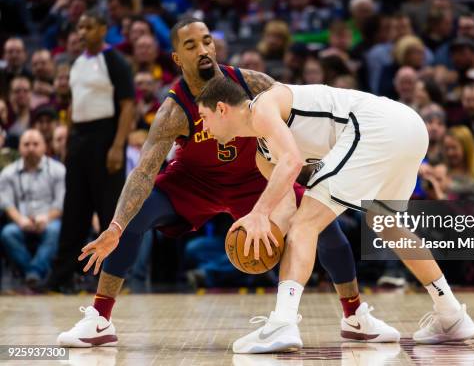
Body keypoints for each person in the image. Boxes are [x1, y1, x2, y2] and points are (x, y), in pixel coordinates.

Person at [57, 18, 397, 347]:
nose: (203, 49)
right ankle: (100, 319)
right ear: (177, 58)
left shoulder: (253, 83)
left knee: (324, 226)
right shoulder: (174, 110)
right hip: (194, 183)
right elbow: (144, 170)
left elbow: (296, 130)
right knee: (133, 218)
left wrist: (318, 174)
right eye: (191, 45)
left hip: (256, 178)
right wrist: (115, 226)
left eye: (206, 41)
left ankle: (354, 317)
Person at [194, 77, 474, 353]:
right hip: (408, 129)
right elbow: (287, 212)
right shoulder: (263, 156)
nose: (203, 127)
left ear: (222, 109)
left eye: (203, 117)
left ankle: (283, 322)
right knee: (385, 224)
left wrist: (258, 212)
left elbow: (293, 164)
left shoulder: (264, 104)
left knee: (307, 225)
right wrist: (262, 237)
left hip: (377, 126)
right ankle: (451, 313)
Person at [45, 9, 135, 292]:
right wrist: (69, 139)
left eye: (88, 26)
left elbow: (128, 106)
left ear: (103, 29)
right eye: (79, 27)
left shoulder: (115, 61)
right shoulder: (75, 64)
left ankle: (110, 278)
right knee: (74, 210)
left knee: (108, 209)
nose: (82, 31)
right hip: (80, 138)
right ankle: (61, 277)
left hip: (105, 136)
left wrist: (118, 146)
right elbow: (74, 103)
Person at [0, 129, 65, 288]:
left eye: (35, 144)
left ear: (44, 146)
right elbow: (6, 204)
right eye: (26, 144)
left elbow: (61, 202)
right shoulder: (8, 173)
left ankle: (32, 273)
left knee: (55, 231)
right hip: (21, 222)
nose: (31, 148)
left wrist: (47, 218)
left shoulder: (58, 170)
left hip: (50, 220)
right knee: (8, 234)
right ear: (20, 148)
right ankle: (36, 274)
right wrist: (20, 220)